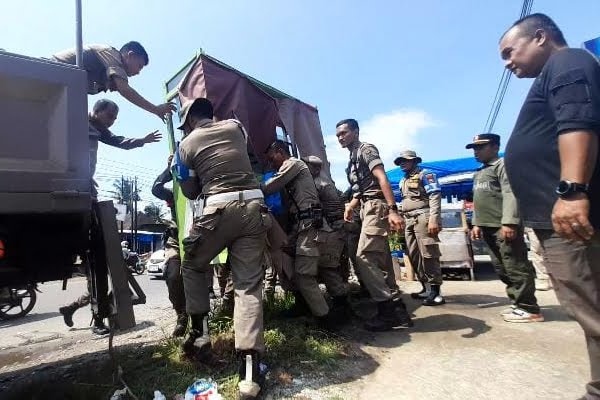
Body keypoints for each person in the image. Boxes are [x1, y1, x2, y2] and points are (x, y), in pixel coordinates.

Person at [499, 13, 600, 398]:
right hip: (557, 218)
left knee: (591, 308)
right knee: (588, 309)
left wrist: (572, 191)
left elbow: (578, 123)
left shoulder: (567, 61)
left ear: (540, 37)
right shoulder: (557, 70)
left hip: (571, 216)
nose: (508, 63)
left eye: (511, 52)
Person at [177, 97, 269, 398]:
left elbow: (190, 190)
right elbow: (249, 156)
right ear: (210, 113)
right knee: (248, 286)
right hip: (255, 208)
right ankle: (250, 375)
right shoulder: (236, 127)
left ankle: (201, 336)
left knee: (192, 265)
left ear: (189, 121)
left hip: (217, 209)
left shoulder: (186, 144)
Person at [58, 99, 161, 335]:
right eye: (110, 117)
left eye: (115, 119)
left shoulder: (98, 129)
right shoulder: (74, 118)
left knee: (101, 266)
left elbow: (118, 140)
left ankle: (80, 311)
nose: (112, 122)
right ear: (96, 111)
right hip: (73, 189)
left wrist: (141, 141)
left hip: (86, 189)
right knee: (97, 265)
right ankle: (94, 318)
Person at [336, 118, 413, 331]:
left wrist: (393, 209)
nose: (341, 137)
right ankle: (398, 312)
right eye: (338, 135)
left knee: (364, 256)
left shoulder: (365, 149)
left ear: (356, 132)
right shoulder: (352, 158)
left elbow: (381, 178)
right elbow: (361, 189)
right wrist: (351, 205)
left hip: (376, 206)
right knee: (381, 260)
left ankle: (388, 310)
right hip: (366, 205)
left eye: (344, 133)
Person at [261, 142, 336, 328]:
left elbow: (270, 186)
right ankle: (302, 304)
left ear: (280, 152)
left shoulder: (293, 164)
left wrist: (251, 187)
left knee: (304, 275)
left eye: (271, 157)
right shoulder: (291, 168)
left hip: (310, 224)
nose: (270, 163)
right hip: (300, 225)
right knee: (285, 258)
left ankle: (325, 319)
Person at [468, 133, 542, 322]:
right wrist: (476, 223)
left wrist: (509, 222)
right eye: (474, 148)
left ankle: (529, 308)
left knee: (515, 266)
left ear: (495, 147)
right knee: (501, 267)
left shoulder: (504, 166)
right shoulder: (480, 172)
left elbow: (511, 193)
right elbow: (478, 200)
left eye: (481, 147)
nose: (476, 151)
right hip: (488, 226)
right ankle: (517, 303)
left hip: (503, 226)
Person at [52, 41, 175, 121]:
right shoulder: (111, 54)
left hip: (58, 84)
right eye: (139, 66)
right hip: (50, 72)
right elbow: (125, 90)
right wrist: (156, 109)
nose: (138, 72)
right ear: (130, 55)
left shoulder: (107, 68)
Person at [394, 150, 445, 306]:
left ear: (415, 161)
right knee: (413, 254)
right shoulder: (403, 179)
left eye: (405, 160)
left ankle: (436, 292)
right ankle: (426, 287)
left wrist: (434, 219)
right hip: (408, 218)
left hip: (424, 217)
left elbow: (434, 196)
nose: (402, 163)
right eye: (400, 161)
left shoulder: (426, 174)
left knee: (428, 253)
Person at [302, 155, 351, 314]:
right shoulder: (327, 182)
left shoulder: (318, 184)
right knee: (331, 266)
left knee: (328, 266)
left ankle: (342, 306)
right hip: (335, 228)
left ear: (315, 168)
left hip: (331, 230)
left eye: (306, 165)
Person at [151, 155, 188, 337]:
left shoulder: (199, 187)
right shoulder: (174, 193)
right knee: (173, 276)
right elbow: (156, 188)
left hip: (199, 239)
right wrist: (169, 170)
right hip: (176, 241)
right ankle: (181, 316)